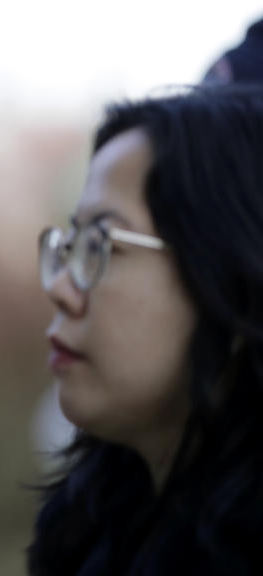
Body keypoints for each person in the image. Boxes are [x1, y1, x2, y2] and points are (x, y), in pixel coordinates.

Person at [28, 85, 263, 575]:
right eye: (72, 246)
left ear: (229, 271)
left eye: (101, 245)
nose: (62, 290)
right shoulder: (82, 535)